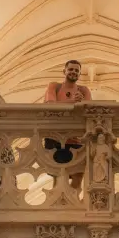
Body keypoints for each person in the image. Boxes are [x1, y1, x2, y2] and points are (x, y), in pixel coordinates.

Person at [44, 60, 91, 189]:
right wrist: (73, 102)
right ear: (64, 71)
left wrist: (80, 104)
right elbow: (50, 106)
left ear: (80, 74)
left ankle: (74, 207)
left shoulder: (83, 90)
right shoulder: (54, 86)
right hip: (55, 137)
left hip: (76, 139)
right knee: (58, 178)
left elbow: (89, 111)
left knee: (77, 179)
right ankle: (57, 208)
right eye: (71, 69)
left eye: (77, 70)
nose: (73, 72)